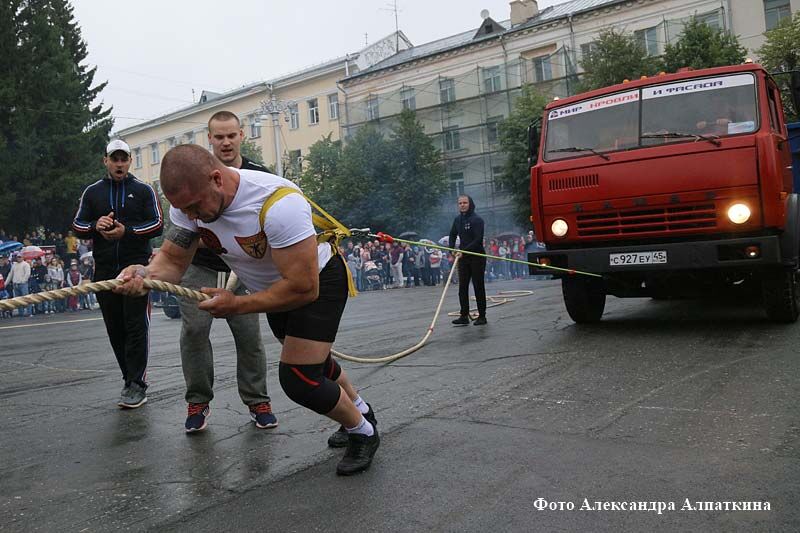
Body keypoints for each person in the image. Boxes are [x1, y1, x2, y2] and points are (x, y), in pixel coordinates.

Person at [114, 144, 379, 476]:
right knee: (316, 363)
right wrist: (144, 275)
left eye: (195, 207)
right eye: (185, 210)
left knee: (299, 378)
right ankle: (361, 410)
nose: (192, 216)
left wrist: (237, 305)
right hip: (272, 288)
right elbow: (172, 261)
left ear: (216, 179)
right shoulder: (189, 205)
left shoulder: (278, 203)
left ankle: (363, 433)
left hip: (317, 282)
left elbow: (303, 287)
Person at [176, 110, 276, 433]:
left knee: (249, 336)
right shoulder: (195, 177)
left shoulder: (260, 177)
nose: (226, 142)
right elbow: (183, 237)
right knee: (193, 332)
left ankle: (258, 400)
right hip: (202, 269)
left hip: (243, 269)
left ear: (242, 136)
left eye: (231, 135)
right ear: (210, 139)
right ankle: (198, 402)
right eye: (219, 137)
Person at [72, 139, 163, 409]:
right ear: (106, 161)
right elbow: (77, 224)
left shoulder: (144, 190)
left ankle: (137, 383)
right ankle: (128, 379)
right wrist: (94, 224)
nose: (119, 164)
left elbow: (158, 224)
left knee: (136, 326)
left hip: (136, 267)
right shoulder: (92, 192)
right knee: (115, 328)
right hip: (104, 270)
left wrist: (128, 231)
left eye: (124, 159)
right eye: (115, 159)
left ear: (130, 161)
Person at [449, 195, 487, 326]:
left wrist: (463, 251)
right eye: (460, 203)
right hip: (463, 258)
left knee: (478, 286)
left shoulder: (477, 220)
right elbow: (452, 234)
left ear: (470, 203)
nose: (462, 205)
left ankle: (482, 316)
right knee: (462, 287)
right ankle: (464, 315)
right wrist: (451, 249)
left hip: (477, 257)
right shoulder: (457, 219)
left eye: (465, 202)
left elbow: (478, 240)